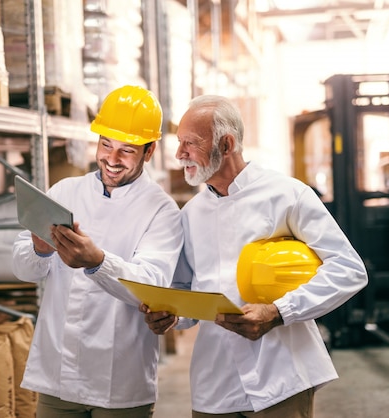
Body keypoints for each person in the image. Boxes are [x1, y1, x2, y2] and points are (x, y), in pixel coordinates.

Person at [142, 95, 368, 417]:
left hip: (280, 375)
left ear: (226, 144)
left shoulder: (287, 195)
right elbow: (188, 291)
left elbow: (349, 269)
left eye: (190, 143)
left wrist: (279, 311)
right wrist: (172, 314)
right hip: (215, 383)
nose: (180, 155)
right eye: (180, 143)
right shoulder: (191, 214)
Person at [12, 85, 183, 418]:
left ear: (149, 152)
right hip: (58, 374)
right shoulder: (65, 191)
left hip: (119, 381)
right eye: (106, 144)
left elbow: (151, 284)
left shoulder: (162, 210)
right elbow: (24, 270)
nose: (112, 159)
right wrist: (39, 249)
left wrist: (97, 262)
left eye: (127, 150)